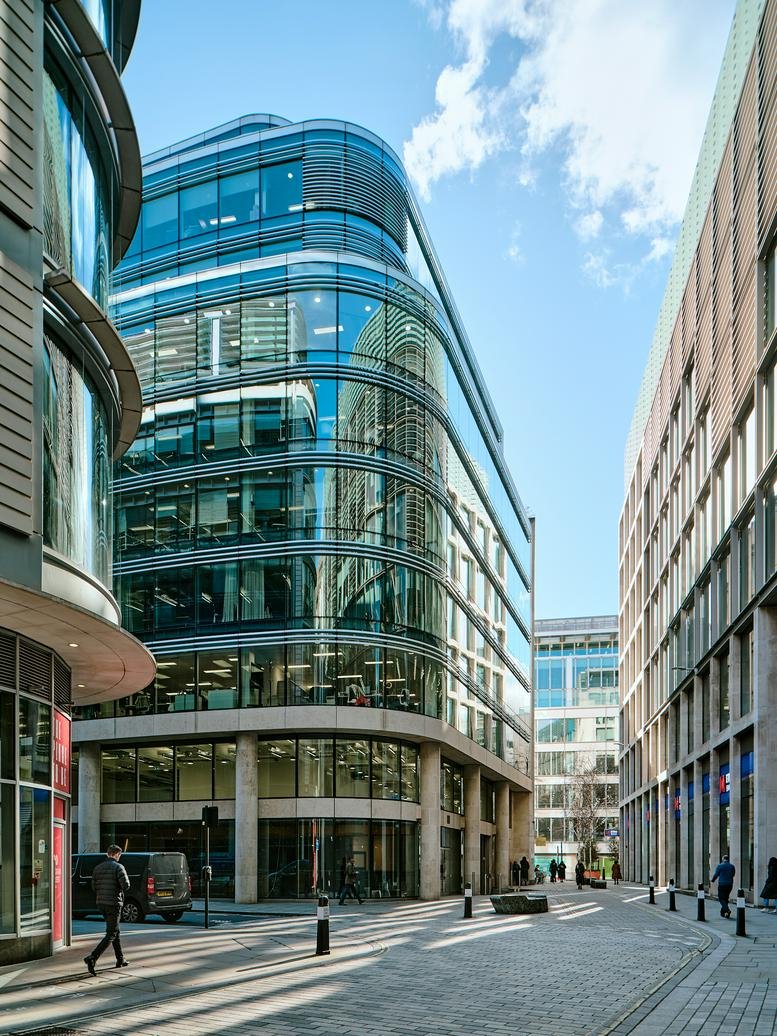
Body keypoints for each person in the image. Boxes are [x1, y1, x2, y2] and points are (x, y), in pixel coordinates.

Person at [83, 845, 131, 975]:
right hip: (113, 903)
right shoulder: (118, 867)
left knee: (115, 931)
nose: (119, 857)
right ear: (116, 854)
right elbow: (126, 885)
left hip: (101, 903)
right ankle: (92, 957)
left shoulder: (98, 867)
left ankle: (120, 959)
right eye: (119, 855)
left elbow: (94, 886)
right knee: (112, 933)